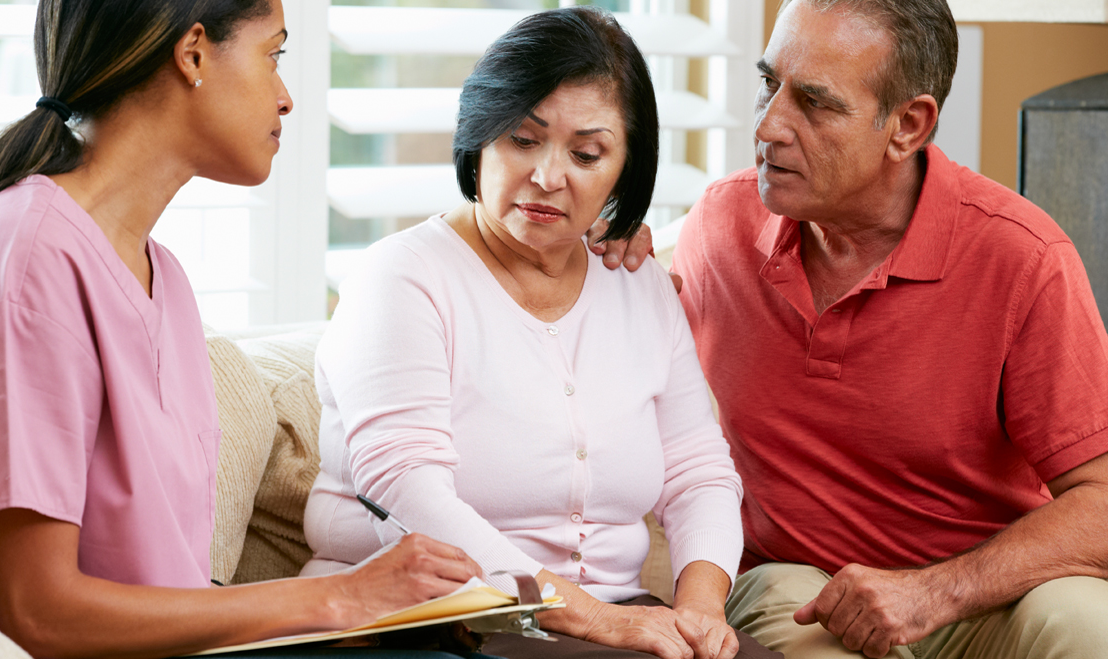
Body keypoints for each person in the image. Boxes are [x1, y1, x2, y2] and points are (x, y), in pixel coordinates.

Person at [593, 0, 1108, 657]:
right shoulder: (720, 228)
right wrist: (598, 270)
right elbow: (604, 387)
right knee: (782, 595)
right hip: (802, 592)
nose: (768, 126)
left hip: (981, 599)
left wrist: (933, 591)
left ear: (907, 126)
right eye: (769, 83)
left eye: (815, 102)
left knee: (1090, 623)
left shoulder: (1022, 257)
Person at [0, 1, 489, 657]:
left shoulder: (165, 279)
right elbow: (40, 614)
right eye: (273, 54)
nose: (286, 97)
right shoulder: (26, 260)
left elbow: (168, 586)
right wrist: (339, 598)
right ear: (194, 53)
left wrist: (365, 614)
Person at [303, 8, 779, 659]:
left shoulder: (637, 284)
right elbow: (406, 487)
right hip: (437, 616)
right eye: (523, 140)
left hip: (609, 621)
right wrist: (594, 618)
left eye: (586, 154)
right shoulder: (404, 276)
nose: (549, 176)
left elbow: (698, 471)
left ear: (625, 169)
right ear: (478, 135)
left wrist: (698, 611)